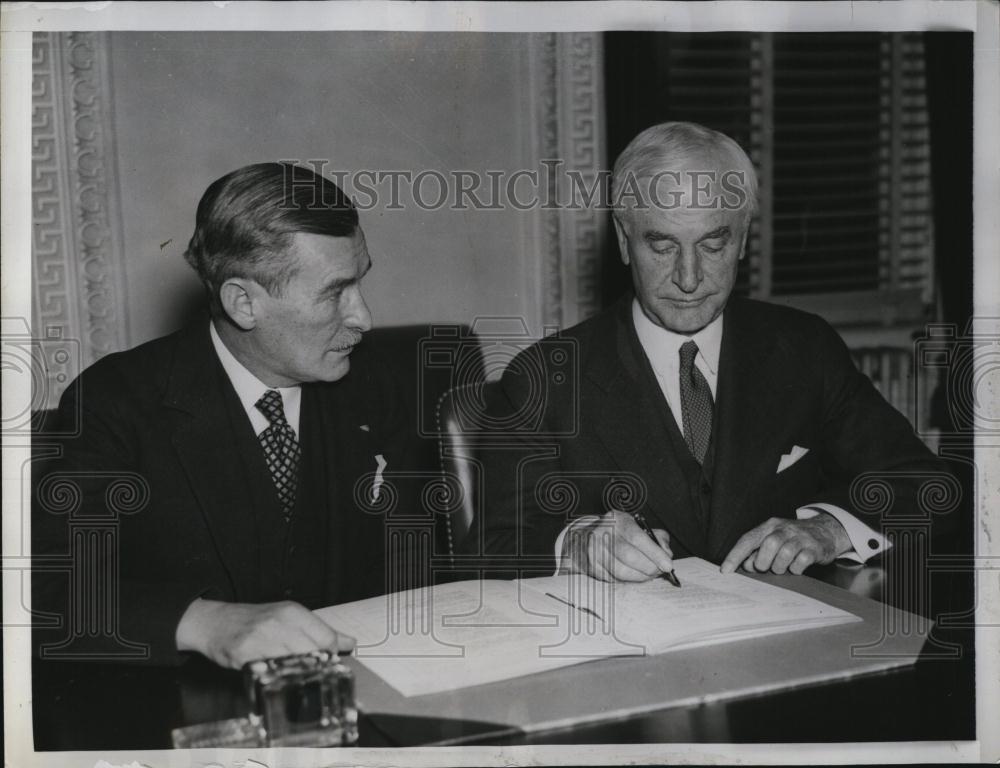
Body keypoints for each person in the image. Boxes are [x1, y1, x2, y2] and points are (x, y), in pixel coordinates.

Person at [471, 121, 948, 582]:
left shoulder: (805, 349)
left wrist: (830, 527)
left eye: (713, 245)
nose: (689, 278)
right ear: (623, 239)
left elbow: (925, 482)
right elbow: (489, 549)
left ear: (742, 240)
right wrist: (579, 543)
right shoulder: (543, 379)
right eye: (661, 247)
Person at [33, 163, 424, 668]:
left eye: (359, 284)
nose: (363, 317)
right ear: (242, 302)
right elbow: (44, 593)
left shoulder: (376, 388)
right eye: (334, 293)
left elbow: (409, 575)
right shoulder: (118, 401)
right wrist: (202, 623)